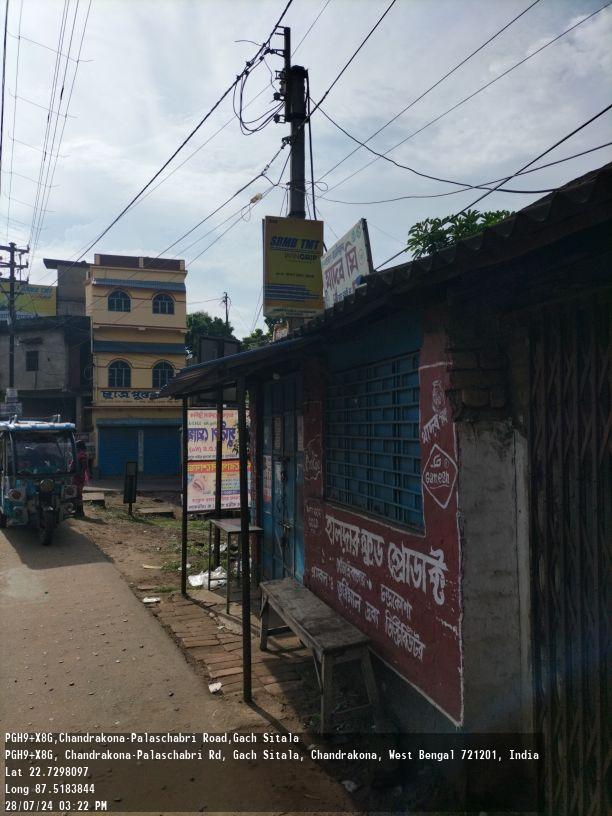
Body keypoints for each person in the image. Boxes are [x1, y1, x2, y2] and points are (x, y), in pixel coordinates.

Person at [74, 440, 89, 516]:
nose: (75, 448)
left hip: (79, 477)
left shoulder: (82, 455)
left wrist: (81, 474)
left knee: (78, 494)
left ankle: (80, 511)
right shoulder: (79, 454)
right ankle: (78, 510)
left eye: (76, 446)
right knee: (76, 494)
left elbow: (84, 465)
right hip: (77, 477)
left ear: (79, 447)